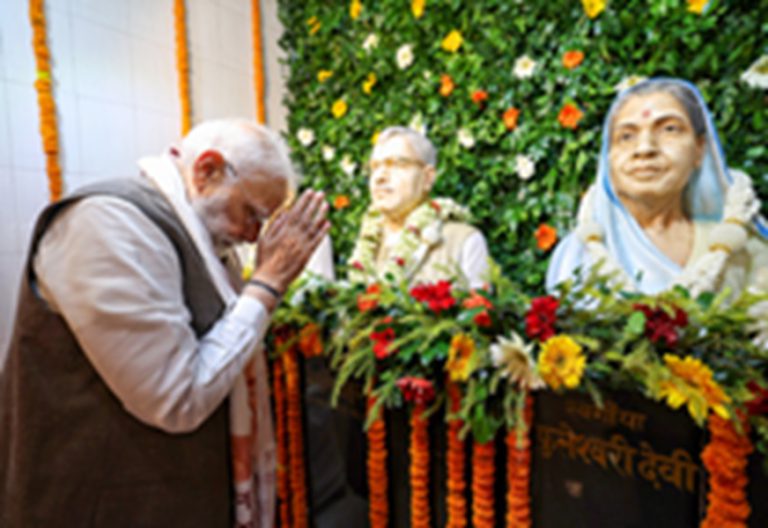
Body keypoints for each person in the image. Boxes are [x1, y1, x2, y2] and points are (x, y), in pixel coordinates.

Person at [0, 119, 329, 527]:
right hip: (96, 503)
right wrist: (267, 284)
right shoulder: (107, 222)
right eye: (252, 214)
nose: (252, 236)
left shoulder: (204, 237)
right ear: (207, 171)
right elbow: (175, 399)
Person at [547, 78, 768, 297]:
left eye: (669, 129)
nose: (644, 148)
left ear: (700, 148)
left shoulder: (742, 249)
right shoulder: (579, 254)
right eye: (626, 136)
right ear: (608, 157)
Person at [349, 126, 489, 288]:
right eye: (374, 167)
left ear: (427, 178)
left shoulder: (463, 241)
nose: (380, 177)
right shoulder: (366, 245)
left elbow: (480, 302)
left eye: (396, 164)